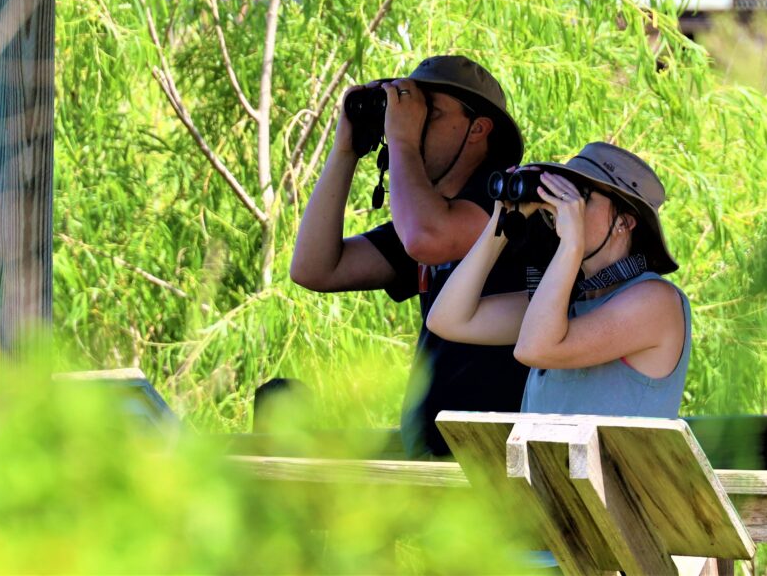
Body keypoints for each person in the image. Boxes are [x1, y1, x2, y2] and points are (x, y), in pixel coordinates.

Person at [290, 55, 530, 457]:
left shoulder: (511, 207)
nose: (411, 125)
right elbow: (314, 269)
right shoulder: (429, 221)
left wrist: (400, 140)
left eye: (428, 113)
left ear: (479, 128)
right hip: (436, 459)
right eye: (406, 114)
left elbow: (426, 239)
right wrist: (346, 151)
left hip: (493, 468)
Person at [426, 142, 691, 418]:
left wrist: (571, 245)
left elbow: (534, 348)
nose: (561, 205)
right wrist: (501, 222)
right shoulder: (566, 306)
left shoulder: (656, 301)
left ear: (624, 222)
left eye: (580, 196)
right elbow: (446, 320)